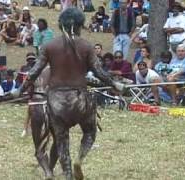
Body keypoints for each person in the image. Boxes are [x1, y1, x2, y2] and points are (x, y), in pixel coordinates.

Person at [16, 8, 124, 180]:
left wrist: (20, 89)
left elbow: (35, 71)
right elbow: (98, 72)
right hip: (80, 98)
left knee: (62, 140)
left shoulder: (49, 46)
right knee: (89, 132)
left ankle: (67, 175)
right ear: (80, 24)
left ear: (61, 24)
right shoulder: (86, 46)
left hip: (57, 101)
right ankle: (80, 159)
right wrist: (114, 84)